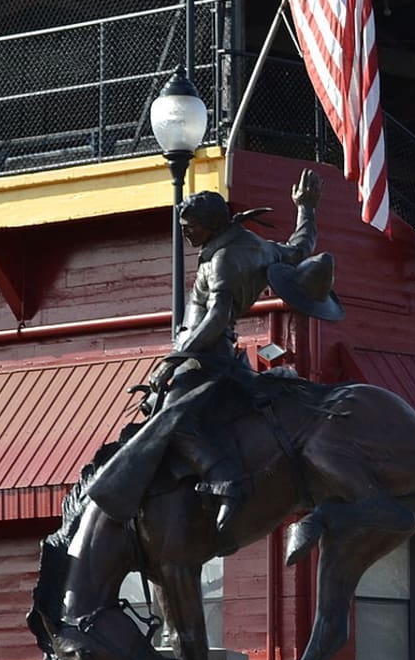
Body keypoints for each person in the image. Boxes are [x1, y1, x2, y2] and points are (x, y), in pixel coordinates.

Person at [85, 169, 333, 546]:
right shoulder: (254, 245)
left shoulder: (223, 262)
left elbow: (216, 318)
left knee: (172, 418)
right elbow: (298, 249)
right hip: (215, 353)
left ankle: (226, 479)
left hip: (207, 356)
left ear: (212, 224)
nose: (185, 233)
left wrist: (174, 358)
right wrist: (306, 209)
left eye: (191, 226)